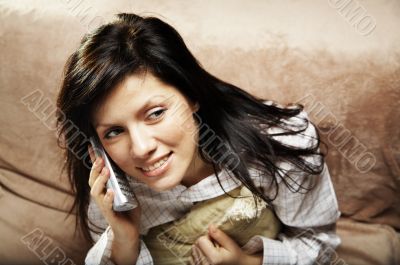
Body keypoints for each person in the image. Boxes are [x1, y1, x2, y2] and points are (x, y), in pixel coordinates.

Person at [56, 13, 341, 265]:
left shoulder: (277, 146)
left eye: (155, 113)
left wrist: (248, 262)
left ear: (192, 96)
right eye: (114, 132)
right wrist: (125, 239)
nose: (142, 148)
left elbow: (319, 245)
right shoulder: (110, 194)